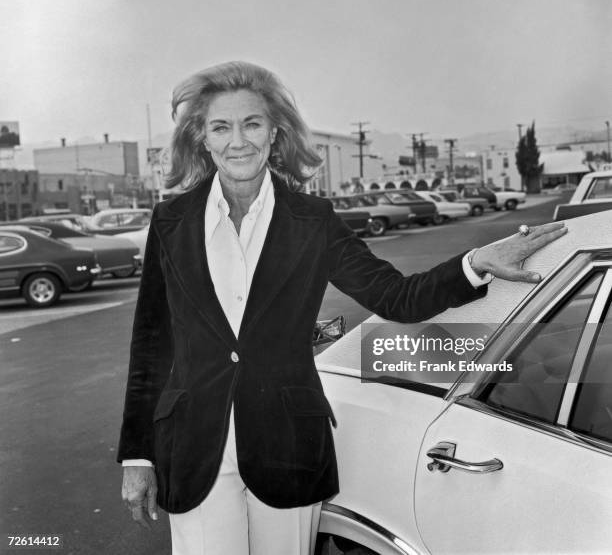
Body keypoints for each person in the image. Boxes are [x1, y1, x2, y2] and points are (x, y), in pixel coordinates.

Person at [117, 61, 566, 555]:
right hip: (193, 446)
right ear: (202, 138)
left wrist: (476, 262)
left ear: (275, 134)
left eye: (252, 124)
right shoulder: (170, 221)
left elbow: (396, 296)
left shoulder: (313, 220)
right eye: (220, 127)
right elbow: (152, 344)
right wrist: (137, 454)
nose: (237, 140)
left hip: (287, 442)